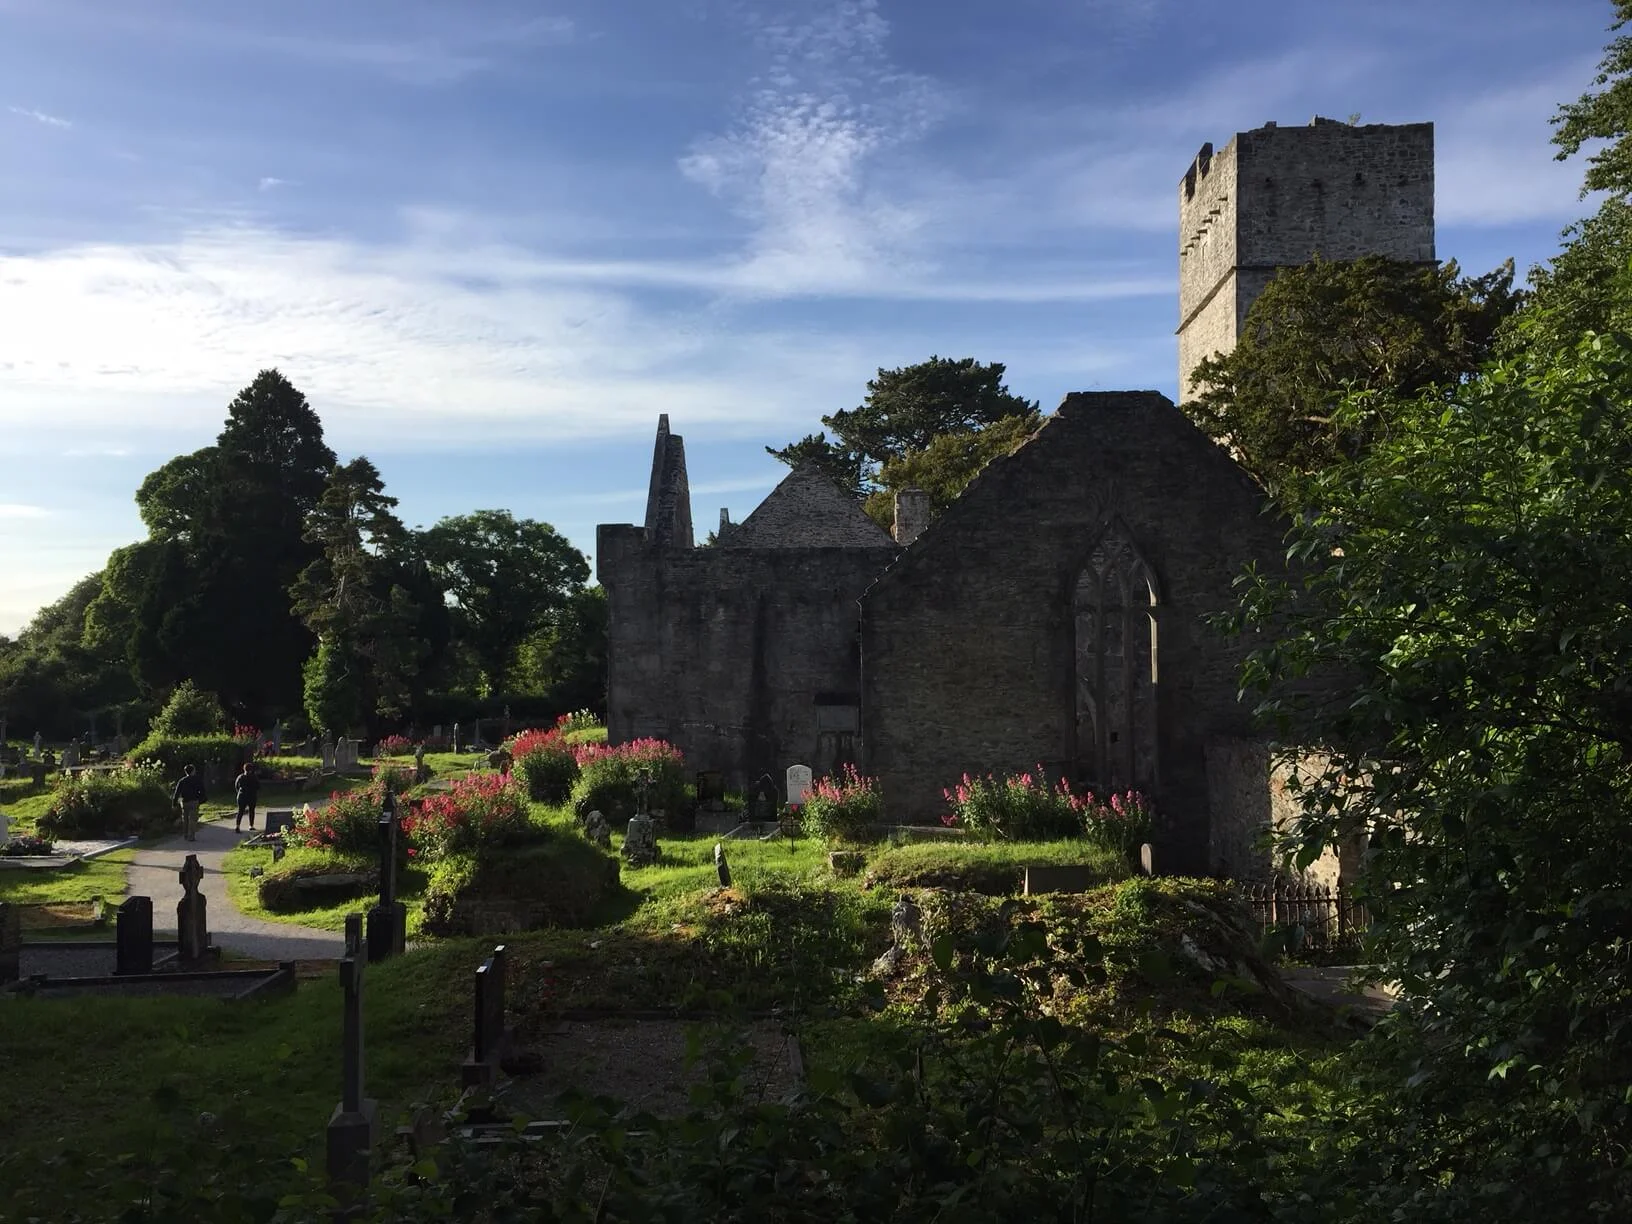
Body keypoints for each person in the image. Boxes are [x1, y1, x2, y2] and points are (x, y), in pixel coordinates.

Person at [173, 764, 206, 842]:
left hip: (185, 802)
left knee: (185, 819)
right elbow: (202, 790)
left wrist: (174, 803)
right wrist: (201, 799)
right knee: (193, 819)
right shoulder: (197, 780)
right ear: (193, 771)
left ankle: (185, 835)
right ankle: (191, 836)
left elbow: (176, 793)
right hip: (194, 801)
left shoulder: (182, 781)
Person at [234, 762, 261, 833]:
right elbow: (258, 786)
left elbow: (236, 786)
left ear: (244, 769)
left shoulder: (240, 777)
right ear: (251, 769)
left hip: (242, 796)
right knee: (251, 811)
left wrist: (239, 792)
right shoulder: (254, 777)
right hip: (251, 796)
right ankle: (251, 826)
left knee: (240, 811)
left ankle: (237, 826)